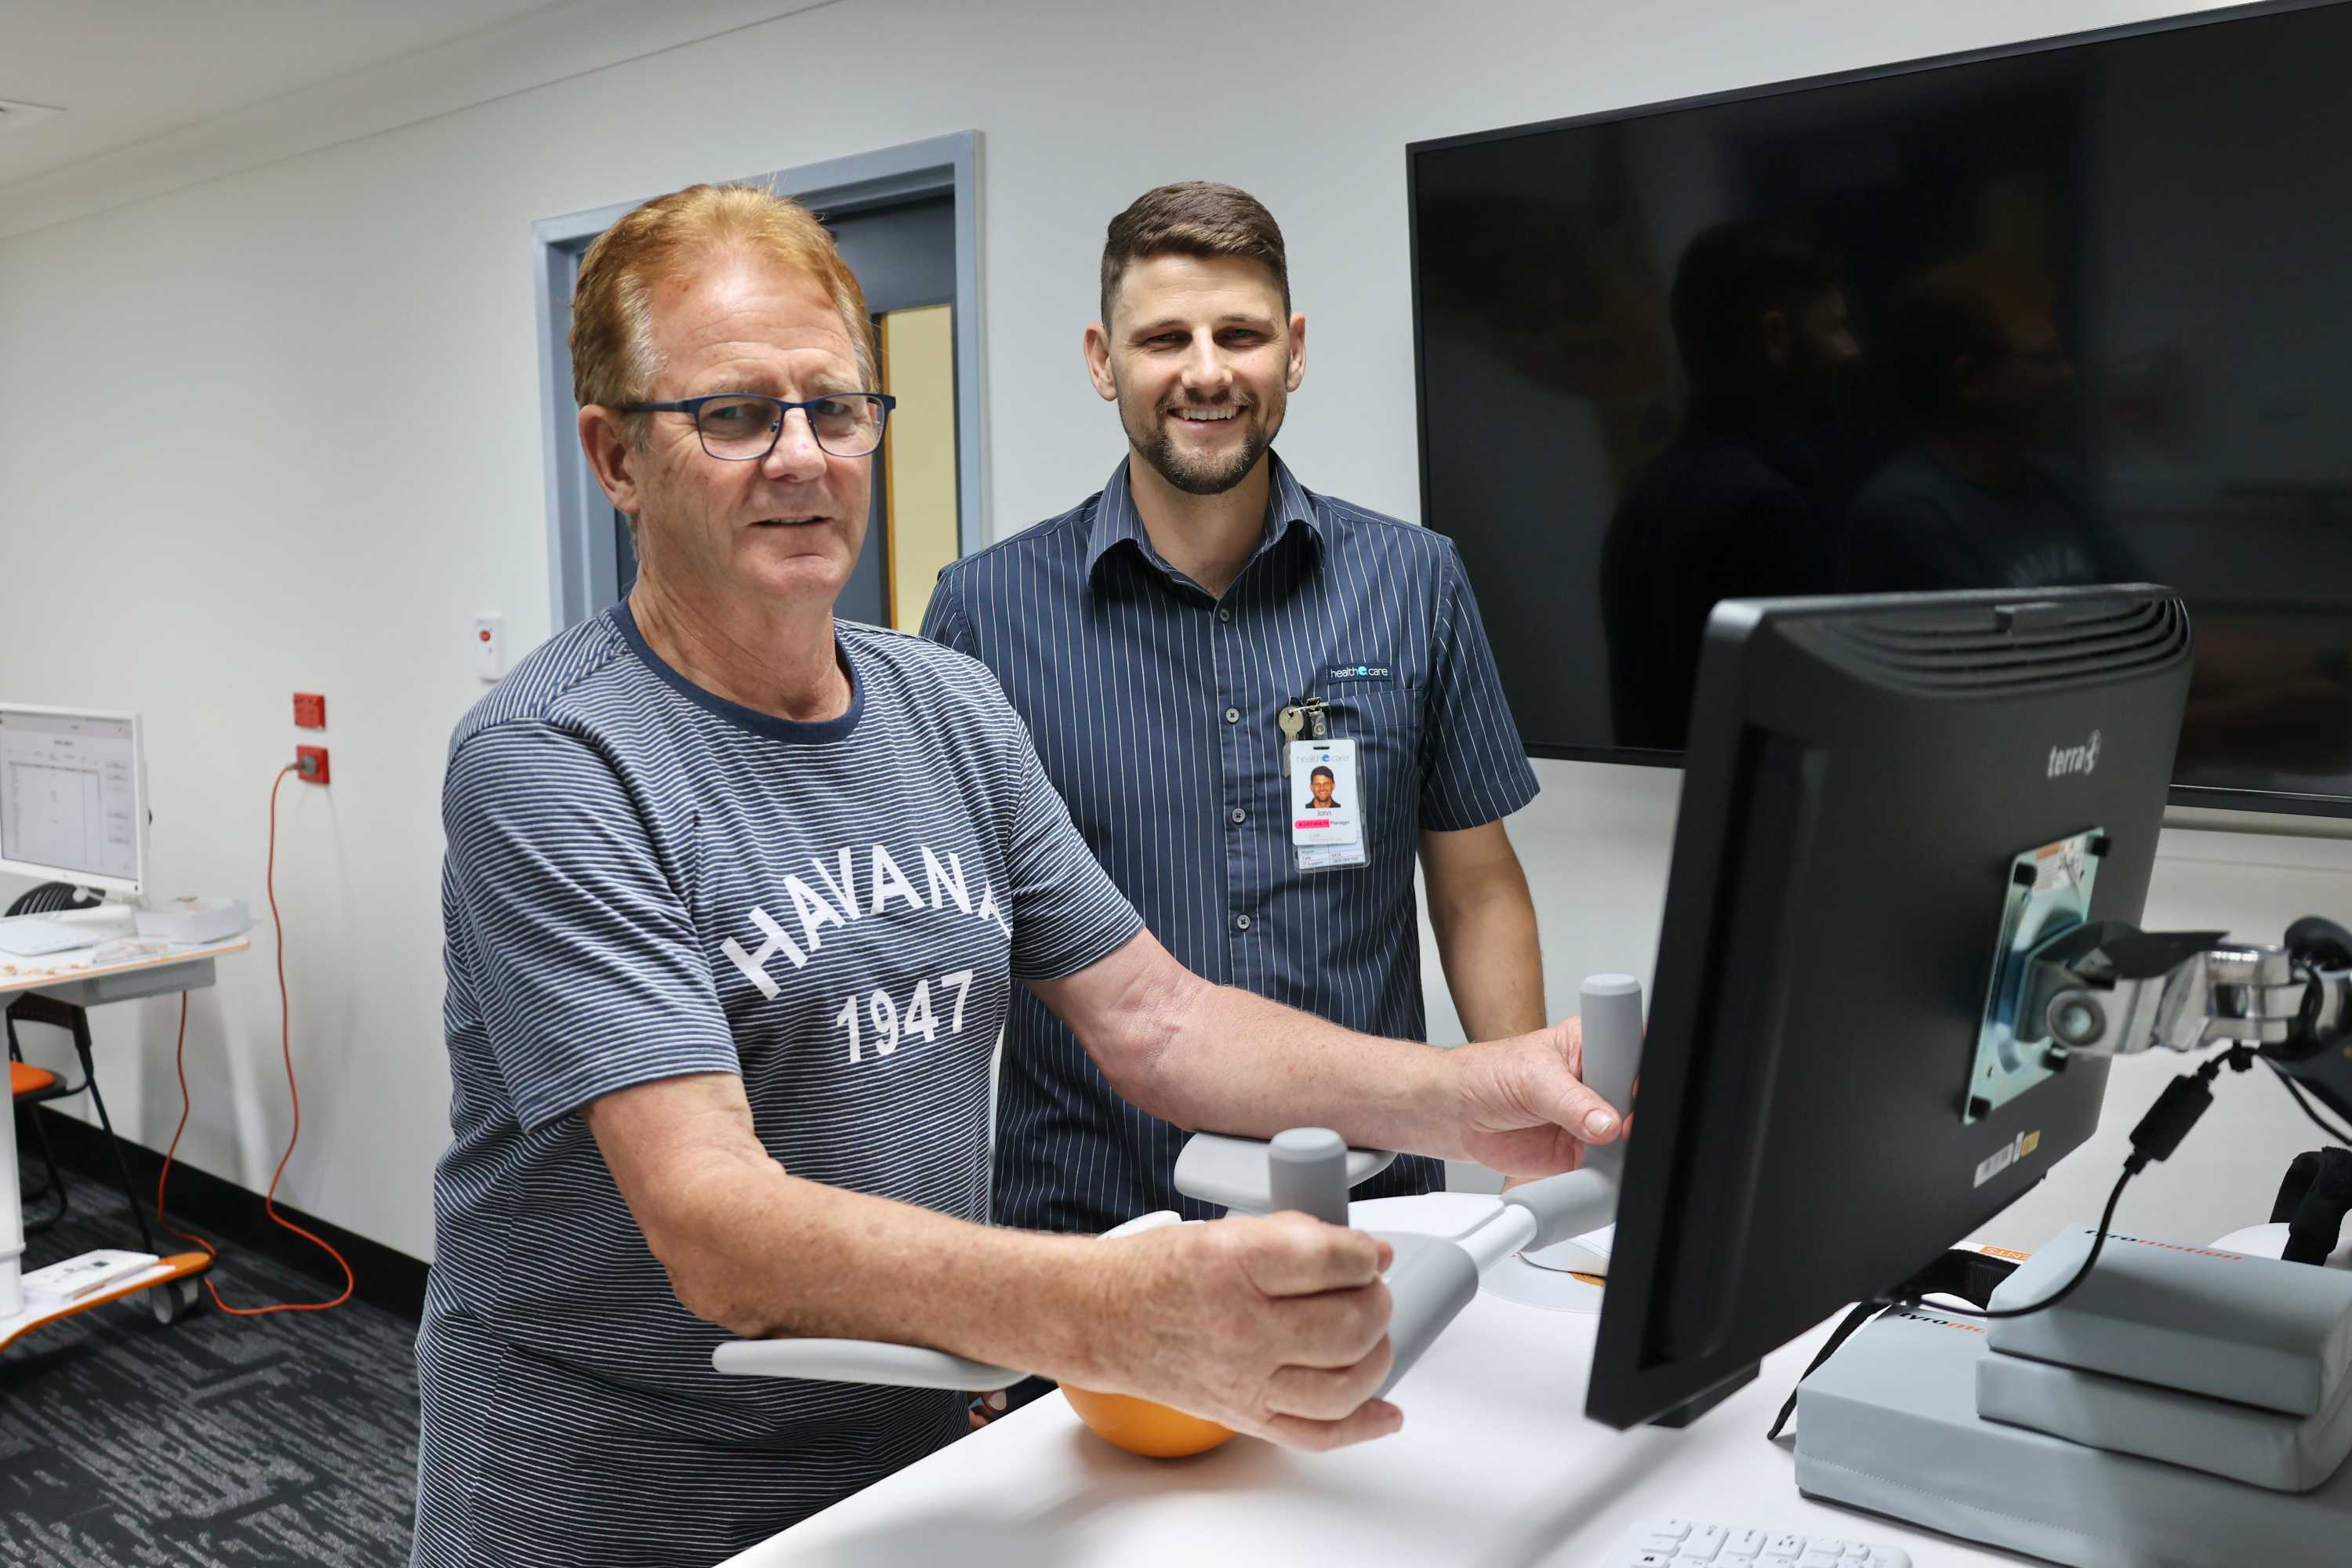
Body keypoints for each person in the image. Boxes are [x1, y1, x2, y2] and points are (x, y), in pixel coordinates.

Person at [412, 182, 1624, 1568]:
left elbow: (1158, 1021)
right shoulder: (553, 759)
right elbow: (717, 1232)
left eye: (837, 407)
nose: (803, 457)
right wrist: (1106, 1308)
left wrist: (1484, 1092)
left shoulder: (949, 708)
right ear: (617, 458)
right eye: (735, 414)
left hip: (908, 1458)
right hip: (615, 1495)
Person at [922, 181, 1546, 1256]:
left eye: (1241, 333)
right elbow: (941, 948)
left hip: (1371, 1216)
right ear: (1101, 359)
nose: (1206, 371)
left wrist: (1531, 1145)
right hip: (1095, 1236)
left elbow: (1477, 887)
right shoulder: (986, 613)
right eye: (1165, 337)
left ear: (1292, 351)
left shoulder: (1415, 584)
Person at [1598, 219, 1860, 751]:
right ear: (1776, 338)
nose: (1852, 350)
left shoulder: (1646, 497)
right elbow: (1804, 735)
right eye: (1835, 327)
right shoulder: (1762, 509)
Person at [1838, 252, 2140, 592]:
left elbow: (2150, 616)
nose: (2067, 374)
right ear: (1970, 380)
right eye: (2044, 360)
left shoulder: (2059, 484)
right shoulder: (1908, 512)